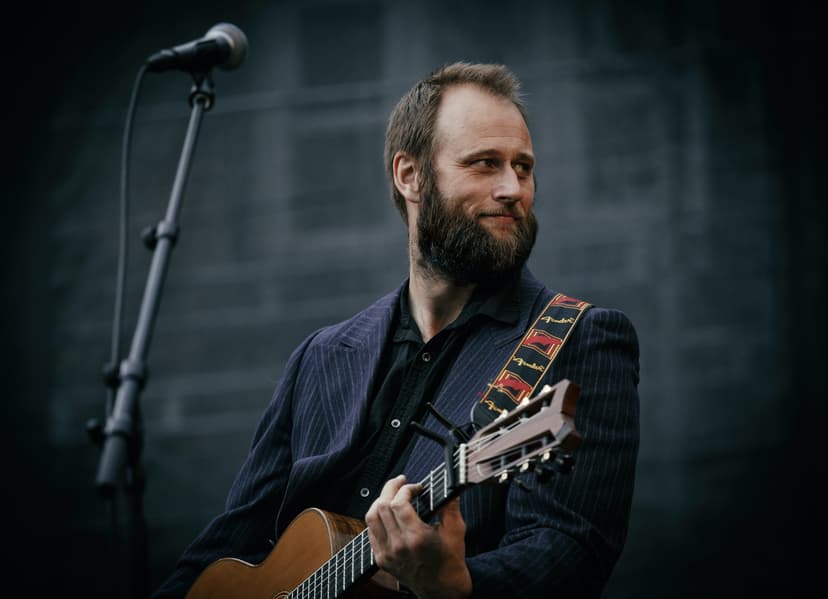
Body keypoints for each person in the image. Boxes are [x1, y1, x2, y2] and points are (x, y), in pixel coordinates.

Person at [151, 61, 640, 599]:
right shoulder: (322, 357)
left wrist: (457, 585)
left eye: (523, 168)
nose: (513, 189)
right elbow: (224, 548)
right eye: (484, 164)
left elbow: (571, 550)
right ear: (409, 175)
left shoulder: (575, 337)